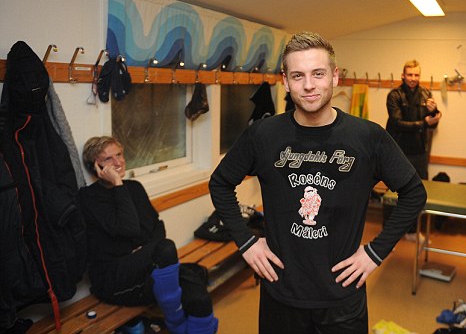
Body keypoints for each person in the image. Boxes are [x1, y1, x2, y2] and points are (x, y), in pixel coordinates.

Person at [209, 31, 426, 334]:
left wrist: (375, 252)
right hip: (279, 294)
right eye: (297, 75)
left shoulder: (368, 137)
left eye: (318, 73)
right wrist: (246, 242)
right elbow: (220, 183)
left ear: (335, 77)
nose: (308, 85)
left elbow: (414, 193)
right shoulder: (263, 135)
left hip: (342, 298)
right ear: (285, 80)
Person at [78, 136, 218, 334]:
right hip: (115, 280)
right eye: (108, 159)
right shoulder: (88, 197)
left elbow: (156, 227)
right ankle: (175, 322)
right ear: (96, 166)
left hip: (147, 269)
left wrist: (143, 250)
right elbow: (129, 229)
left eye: (119, 155)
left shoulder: (134, 188)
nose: (118, 162)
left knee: (199, 299)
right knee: (167, 250)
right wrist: (118, 184)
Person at [386, 59, 441, 241]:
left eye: (416, 75)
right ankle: (388, 237)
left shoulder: (426, 94)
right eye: (409, 74)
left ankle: (412, 232)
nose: (413, 78)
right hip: (397, 150)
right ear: (403, 75)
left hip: (419, 151)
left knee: (418, 193)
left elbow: (432, 123)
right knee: (393, 194)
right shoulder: (394, 95)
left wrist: (435, 112)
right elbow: (397, 123)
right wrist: (424, 123)